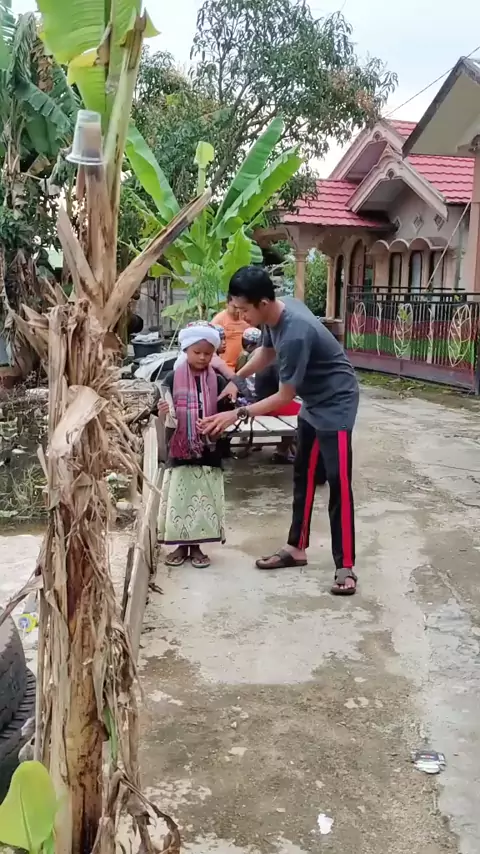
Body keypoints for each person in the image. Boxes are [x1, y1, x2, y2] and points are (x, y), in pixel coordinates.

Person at [198, 266, 359, 595]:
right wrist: (237, 379)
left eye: (244, 310)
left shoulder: (296, 332)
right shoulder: (277, 312)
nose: (241, 318)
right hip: (313, 401)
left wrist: (237, 414)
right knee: (303, 474)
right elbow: (266, 352)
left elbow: (284, 397)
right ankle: (296, 548)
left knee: (338, 483)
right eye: (236, 310)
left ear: (263, 302)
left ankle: (345, 566)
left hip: (337, 403)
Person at [157, 322, 233, 568]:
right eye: (197, 352)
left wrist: (216, 422)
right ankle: (181, 546)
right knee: (181, 500)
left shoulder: (218, 380)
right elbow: (160, 410)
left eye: (208, 353)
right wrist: (163, 410)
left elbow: (225, 412)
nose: (202, 357)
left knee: (203, 499)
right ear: (186, 350)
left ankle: (197, 547)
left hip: (209, 450)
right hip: (180, 450)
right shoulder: (171, 378)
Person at [211, 295, 249, 370]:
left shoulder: (247, 319)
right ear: (227, 305)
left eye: (240, 307)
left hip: (244, 366)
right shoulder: (218, 320)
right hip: (225, 367)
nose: (238, 311)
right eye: (235, 307)